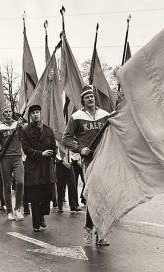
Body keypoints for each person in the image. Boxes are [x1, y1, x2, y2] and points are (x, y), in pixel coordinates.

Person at [62, 85, 110, 246]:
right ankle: (90, 229)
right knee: (93, 195)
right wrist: (79, 148)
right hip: (89, 161)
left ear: (95, 98)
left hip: (104, 159)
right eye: (86, 97)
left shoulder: (105, 115)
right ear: (82, 100)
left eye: (92, 96)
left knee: (103, 197)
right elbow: (66, 139)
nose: (90, 98)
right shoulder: (76, 117)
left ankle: (101, 232)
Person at [21, 105, 57, 231]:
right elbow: (26, 149)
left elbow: (53, 145)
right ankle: (36, 223)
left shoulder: (48, 130)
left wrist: (54, 152)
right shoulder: (26, 130)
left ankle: (42, 214)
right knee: (35, 196)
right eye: (33, 113)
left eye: (37, 112)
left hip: (47, 167)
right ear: (30, 116)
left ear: (40, 114)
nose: (35, 115)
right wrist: (40, 154)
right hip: (34, 168)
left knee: (47, 194)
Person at [0, 106, 25, 221]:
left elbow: (23, 138)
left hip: (17, 157)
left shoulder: (18, 124)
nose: (8, 114)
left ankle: (18, 209)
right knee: (7, 185)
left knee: (20, 182)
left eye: (9, 111)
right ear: (3, 114)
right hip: (5, 159)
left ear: (12, 113)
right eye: (5, 112)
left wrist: (21, 127)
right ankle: (9, 211)